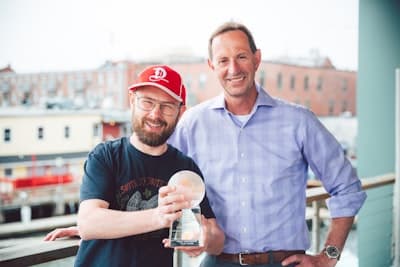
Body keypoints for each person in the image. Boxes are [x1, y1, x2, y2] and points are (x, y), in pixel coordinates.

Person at [168, 21, 367, 267]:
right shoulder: (192, 123)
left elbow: (347, 187)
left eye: (241, 56)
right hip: (219, 261)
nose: (233, 68)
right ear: (212, 66)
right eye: (223, 60)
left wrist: (329, 257)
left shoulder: (298, 121)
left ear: (256, 58)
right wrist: (186, 234)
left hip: (284, 262)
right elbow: (169, 181)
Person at [72, 65, 224, 267]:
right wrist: (158, 216)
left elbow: (217, 240)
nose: (155, 114)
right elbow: (88, 223)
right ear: (132, 101)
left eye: (167, 106)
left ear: (181, 112)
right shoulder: (105, 156)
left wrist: (205, 238)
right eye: (147, 102)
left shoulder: (185, 169)